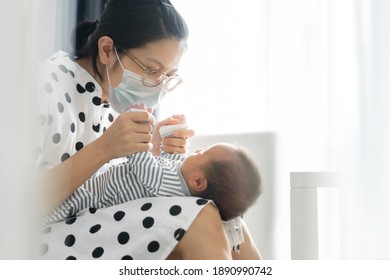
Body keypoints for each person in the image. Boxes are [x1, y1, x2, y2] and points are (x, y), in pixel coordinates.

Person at [36, 0, 261, 260]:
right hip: (38, 235)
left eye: (168, 76)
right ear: (107, 50)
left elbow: (121, 186)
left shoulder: (115, 103)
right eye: (152, 71)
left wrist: (159, 155)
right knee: (200, 218)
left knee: (232, 224)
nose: (159, 86)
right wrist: (105, 149)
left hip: (91, 223)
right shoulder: (44, 85)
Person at [45, 141, 262, 223]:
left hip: (92, 198)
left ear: (198, 182)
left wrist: (138, 129)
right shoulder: (181, 179)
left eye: (203, 152)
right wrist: (170, 139)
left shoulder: (168, 186)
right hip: (97, 183)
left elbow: (144, 163)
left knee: (59, 206)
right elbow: (170, 160)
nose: (196, 150)